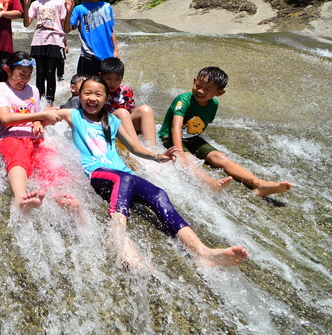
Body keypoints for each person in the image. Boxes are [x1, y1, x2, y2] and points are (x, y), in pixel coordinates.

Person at [58, 76, 249, 270]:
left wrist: (158, 157)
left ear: (107, 98)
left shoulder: (112, 121)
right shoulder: (74, 115)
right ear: (78, 94)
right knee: (122, 179)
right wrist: (39, 123)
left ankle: (203, 252)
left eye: (98, 94)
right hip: (100, 174)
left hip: (124, 174)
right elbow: (42, 115)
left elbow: (135, 147)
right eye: (87, 93)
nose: (92, 98)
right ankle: (118, 240)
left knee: (159, 194)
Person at [159, 67, 292, 197]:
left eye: (207, 89)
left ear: (220, 92)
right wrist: (179, 151)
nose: (200, 91)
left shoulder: (213, 105)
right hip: (170, 137)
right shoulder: (183, 100)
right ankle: (209, 182)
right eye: (198, 85)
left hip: (192, 139)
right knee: (187, 159)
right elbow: (176, 126)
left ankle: (258, 184)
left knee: (219, 157)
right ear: (194, 81)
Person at [0, 51, 82, 214]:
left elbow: (36, 116)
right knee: (18, 158)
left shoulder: (33, 90)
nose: (24, 79)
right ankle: (20, 198)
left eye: (28, 75)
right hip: (10, 136)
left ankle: (61, 194)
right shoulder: (0, 88)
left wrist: (37, 122)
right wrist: (40, 116)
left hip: (33, 136)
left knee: (48, 156)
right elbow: (5, 118)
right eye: (21, 74)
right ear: (8, 70)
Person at [22, 0, 71, 104]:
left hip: (55, 40)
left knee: (50, 73)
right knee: (40, 74)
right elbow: (27, 23)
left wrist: (69, 9)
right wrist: (26, 6)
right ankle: (38, 101)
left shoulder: (61, 1)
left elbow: (66, 28)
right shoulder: (35, 3)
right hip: (38, 41)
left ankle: (49, 102)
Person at [64, 0, 118, 76]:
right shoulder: (79, 9)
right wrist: (69, 11)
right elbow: (67, 29)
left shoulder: (107, 7)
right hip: (88, 56)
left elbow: (112, 30)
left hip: (108, 55)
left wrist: (115, 51)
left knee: (105, 88)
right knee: (84, 87)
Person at [99, 57, 157, 145]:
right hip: (105, 124)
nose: (113, 83)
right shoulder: (96, 90)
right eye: (108, 79)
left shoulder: (126, 90)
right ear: (100, 76)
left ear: (122, 78)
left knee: (146, 110)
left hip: (125, 125)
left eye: (117, 79)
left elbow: (132, 111)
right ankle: (137, 149)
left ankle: (151, 148)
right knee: (122, 113)